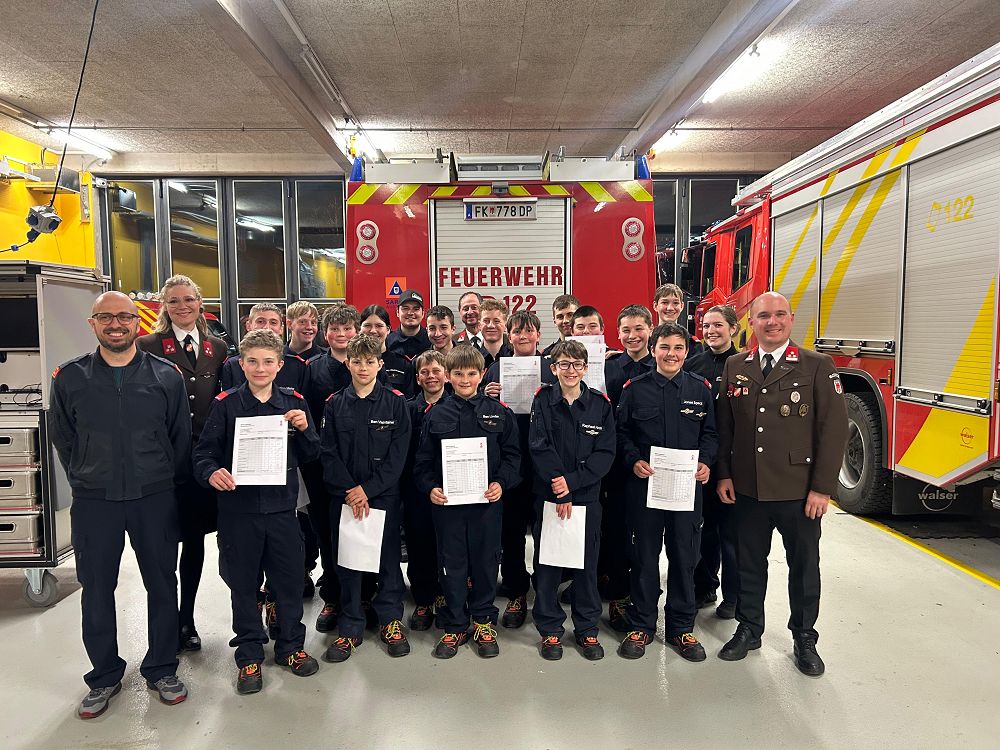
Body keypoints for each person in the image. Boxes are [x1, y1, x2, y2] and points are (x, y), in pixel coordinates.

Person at [50, 291, 192, 718]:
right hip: (96, 501)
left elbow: (179, 438)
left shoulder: (165, 376)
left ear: (138, 323)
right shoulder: (70, 377)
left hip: (154, 498)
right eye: (106, 317)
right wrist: (86, 474)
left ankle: (162, 667)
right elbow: (64, 437)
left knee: (162, 584)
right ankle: (105, 674)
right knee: (96, 589)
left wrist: (167, 481)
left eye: (124, 317)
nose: (116, 324)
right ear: (92, 323)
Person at [716, 292, 848, 676]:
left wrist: (822, 489)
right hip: (748, 488)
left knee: (804, 565)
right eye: (762, 316)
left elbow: (833, 430)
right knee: (747, 563)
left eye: (778, 315)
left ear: (790, 319)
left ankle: (804, 636)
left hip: (798, 490)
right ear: (751, 323)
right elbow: (727, 427)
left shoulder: (817, 365)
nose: (771, 322)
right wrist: (724, 472)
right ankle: (749, 627)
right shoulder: (736, 365)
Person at [194, 329, 321, 694]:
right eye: (252, 361)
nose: (260, 368)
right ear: (241, 364)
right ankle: (249, 652)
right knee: (243, 585)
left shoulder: (293, 403)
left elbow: (313, 455)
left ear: (280, 365)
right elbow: (203, 454)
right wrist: (211, 472)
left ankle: (290, 647)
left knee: (288, 581)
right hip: (240, 513)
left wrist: (305, 428)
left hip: (283, 510)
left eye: (268, 361)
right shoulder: (225, 404)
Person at [615, 322, 717, 661]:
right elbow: (622, 434)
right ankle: (641, 625)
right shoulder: (634, 388)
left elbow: (711, 434)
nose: (671, 354)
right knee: (643, 558)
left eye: (677, 348)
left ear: (686, 352)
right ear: (653, 349)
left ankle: (680, 628)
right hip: (645, 489)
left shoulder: (700, 389)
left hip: (687, 491)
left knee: (684, 557)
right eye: (664, 347)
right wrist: (633, 461)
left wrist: (705, 463)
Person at [137, 275, 227, 653]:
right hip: (162, 464)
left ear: (199, 303)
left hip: (201, 466)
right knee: (161, 548)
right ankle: (164, 621)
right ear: (164, 306)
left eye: (188, 299)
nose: (182, 306)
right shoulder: (147, 346)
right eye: (173, 301)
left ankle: (186, 618)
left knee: (193, 543)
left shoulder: (217, 348)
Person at [414, 346, 521, 659]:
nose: (464, 379)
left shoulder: (500, 412)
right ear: (447, 376)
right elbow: (422, 461)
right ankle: (456, 623)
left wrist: (501, 483)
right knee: (452, 563)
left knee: (487, 561)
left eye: (471, 373)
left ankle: (483, 621)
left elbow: (514, 456)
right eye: (458, 374)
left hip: (487, 504)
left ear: (482, 374)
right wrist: (430, 488)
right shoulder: (435, 415)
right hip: (448, 507)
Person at [320, 334, 412, 662]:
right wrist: (351, 490)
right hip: (345, 499)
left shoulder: (396, 403)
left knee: (388, 560)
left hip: (383, 498)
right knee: (349, 562)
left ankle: (389, 620)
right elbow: (327, 453)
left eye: (369, 362)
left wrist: (368, 490)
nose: (363, 367)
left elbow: (398, 456)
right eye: (357, 361)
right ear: (348, 363)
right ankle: (351, 625)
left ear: (380, 364)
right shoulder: (334, 404)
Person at [528, 341, 616, 661]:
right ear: (553, 369)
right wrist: (559, 491)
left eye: (577, 365)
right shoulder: (542, 401)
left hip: (586, 499)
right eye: (564, 364)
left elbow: (605, 454)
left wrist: (573, 486)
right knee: (548, 565)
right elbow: (539, 447)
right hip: (550, 498)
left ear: (586, 368)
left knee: (586, 568)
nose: (571, 371)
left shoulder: (600, 405)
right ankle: (550, 628)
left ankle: (587, 629)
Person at [482, 310, 555, 628]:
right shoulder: (495, 369)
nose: (523, 336)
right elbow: (482, 415)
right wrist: (488, 397)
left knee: (544, 530)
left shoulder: (551, 368)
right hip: (509, 464)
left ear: (539, 335)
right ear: (508, 337)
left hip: (543, 463)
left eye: (529, 331)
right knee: (510, 532)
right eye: (517, 332)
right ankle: (515, 590)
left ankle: (544, 587)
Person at [302, 304, 360, 632]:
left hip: (359, 466)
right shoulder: (312, 369)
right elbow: (305, 414)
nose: (341, 334)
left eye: (348, 328)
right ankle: (333, 597)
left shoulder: (364, 366)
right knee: (326, 533)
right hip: (322, 465)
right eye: (335, 329)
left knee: (358, 532)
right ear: (326, 334)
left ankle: (363, 596)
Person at [684, 305, 741, 619]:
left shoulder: (746, 364)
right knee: (702, 531)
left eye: (717, 325)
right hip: (701, 462)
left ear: (732, 328)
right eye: (705, 326)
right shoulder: (693, 365)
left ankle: (733, 598)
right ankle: (704, 586)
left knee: (730, 534)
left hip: (731, 465)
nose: (710, 331)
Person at [601, 304, 654, 628]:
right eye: (626, 330)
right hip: (616, 467)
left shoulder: (662, 365)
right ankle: (618, 597)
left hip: (651, 467)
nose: (632, 336)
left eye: (639, 329)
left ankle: (645, 597)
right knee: (617, 532)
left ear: (650, 329)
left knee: (647, 538)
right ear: (617, 334)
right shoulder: (608, 368)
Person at [404, 350, 449, 630]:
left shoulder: (457, 406)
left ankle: (445, 596)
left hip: (449, 490)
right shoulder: (407, 409)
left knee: (447, 545)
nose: (431, 376)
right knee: (419, 544)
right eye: (425, 372)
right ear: (417, 377)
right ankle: (423, 599)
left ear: (446, 373)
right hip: (415, 491)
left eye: (436, 370)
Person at [220, 303, 311, 391]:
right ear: (248, 325)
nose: (267, 327)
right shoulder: (232, 365)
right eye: (260, 321)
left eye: (273, 322)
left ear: (281, 329)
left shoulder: (297, 366)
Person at [360, 304, 417, 398]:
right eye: (367, 325)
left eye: (379, 326)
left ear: (388, 329)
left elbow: (408, 401)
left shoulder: (403, 365)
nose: (373, 331)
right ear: (359, 329)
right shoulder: (353, 364)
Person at [654, 283, 704, 355]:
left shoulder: (693, 346)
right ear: (655, 306)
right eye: (665, 302)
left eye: (675, 303)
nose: (670, 308)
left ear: (682, 306)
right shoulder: (645, 342)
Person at [387, 289, 431, 360]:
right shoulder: (387, 342)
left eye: (416, 309)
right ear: (397, 312)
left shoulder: (431, 340)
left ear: (423, 313)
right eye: (405, 308)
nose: (410, 313)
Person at [476, 298, 513, 370]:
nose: (491, 325)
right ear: (479, 325)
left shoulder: (514, 357)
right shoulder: (472, 360)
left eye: (496, 321)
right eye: (486, 321)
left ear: (505, 325)